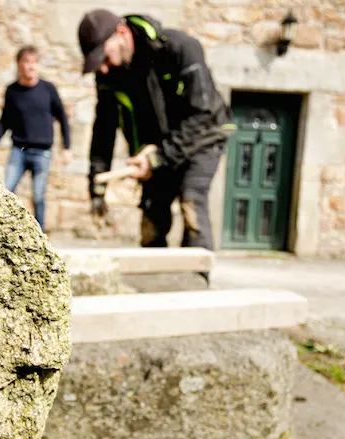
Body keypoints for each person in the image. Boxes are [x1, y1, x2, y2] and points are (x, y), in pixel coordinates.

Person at [77, 9, 232, 256]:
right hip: (157, 147)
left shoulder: (179, 48)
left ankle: (196, 281)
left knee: (191, 200)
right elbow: (103, 130)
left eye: (105, 57)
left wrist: (158, 157)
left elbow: (201, 114)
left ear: (121, 33)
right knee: (152, 212)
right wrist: (97, 185)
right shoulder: (110, 77)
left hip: (202, 137)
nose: (103, 69)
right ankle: (152, 279)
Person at [0, 46, 73, 229]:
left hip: (43, 152)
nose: (31, 67)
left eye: (34, 63)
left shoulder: (48, 89)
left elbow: (62, 117)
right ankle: (4, 230)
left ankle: (40, 236)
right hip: (19, 151)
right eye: (27, 62)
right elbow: (4, 121)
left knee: (38, 196)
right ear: (19, 65)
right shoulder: (12, 91)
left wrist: (67, 147)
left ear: (38, 65)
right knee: (6, 191)